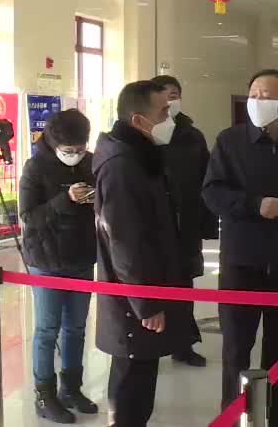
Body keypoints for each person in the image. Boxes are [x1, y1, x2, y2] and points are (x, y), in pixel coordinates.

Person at [203, 69, 278, 427]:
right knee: (236, 346)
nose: (256, 101)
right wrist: (253, 205)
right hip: (241, 262)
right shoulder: (230, 141)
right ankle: (232, 413)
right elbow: (212, 192)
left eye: (265, 95)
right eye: (253, 94)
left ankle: (277, 412)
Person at [93, 81, 196, 427]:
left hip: (145, 289)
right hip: (133, 300)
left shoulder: (141, 154)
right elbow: (126, 242)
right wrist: (146, 302)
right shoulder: (122, 166)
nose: (170, 118)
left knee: (139, 378)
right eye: (163, 112)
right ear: (138, 120)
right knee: (131, 386)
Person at [18, 109, 99, 423]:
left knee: (76, 327)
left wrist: (95, 198)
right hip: (47, 259)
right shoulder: (36, 167)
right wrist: (65, 199)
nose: (75, 155)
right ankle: (44, 395)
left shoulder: (91, 162)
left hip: (81, 256)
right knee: (47, 329)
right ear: (54, 144)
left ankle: (71, 389)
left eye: (80, 148)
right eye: (69, 150)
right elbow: (29, 217)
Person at [150, 74, 218, 368]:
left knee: (183, 287)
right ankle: (151, 345)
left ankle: (183, 344)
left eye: (175, 94)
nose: (171, 100)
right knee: (153, 286)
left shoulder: (192, 136)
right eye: (165, 95)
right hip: (154, 226)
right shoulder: (145, 132)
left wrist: (207, 223)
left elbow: (207, 179)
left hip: (187, 224)